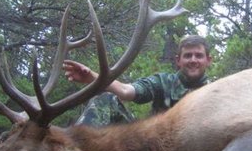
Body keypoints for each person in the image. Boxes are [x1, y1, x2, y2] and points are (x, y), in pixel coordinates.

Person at [63, 35, 212, 126]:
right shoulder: (163, 82)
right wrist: (93, 77)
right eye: (188, 55)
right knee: (106, 100)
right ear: (178, 60)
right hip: (153, 149)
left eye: (198, 55)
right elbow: (126, 91)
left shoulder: (216, 92)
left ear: (208, 60)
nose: (193, 60)